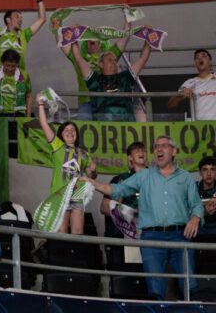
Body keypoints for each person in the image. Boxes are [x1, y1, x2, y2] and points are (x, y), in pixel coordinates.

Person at [81, 135, 203, 300]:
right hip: (151, 237)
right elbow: (118, 190)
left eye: (164, 146)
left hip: (180, 236)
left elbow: (196, 205)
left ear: (174, 151)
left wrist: (195, 218)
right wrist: (93, 183)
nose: (158, 149)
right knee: (155, 290)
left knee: (190, 286)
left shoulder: (185, 177)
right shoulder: (144, 175)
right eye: (156, 147)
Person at [53, 8, 132, 120]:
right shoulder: (79, 58)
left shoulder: (109, 55)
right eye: (88, 41)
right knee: (85, 129)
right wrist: (56, 19)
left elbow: (125, 36)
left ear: (101, 43)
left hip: (106, 101)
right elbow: (60, 41)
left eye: (94, 41)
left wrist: (127, 15)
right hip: (86, 103)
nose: (91, 43)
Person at [36, 94, 97, 234]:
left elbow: (91, 176)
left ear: (77, 134)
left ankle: (75, 249)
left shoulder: (84, 153)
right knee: (61, 230)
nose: (70, 132)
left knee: (78, 232)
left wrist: (93, 171)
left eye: (73, 130)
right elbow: (44, 124)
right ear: (61, 135)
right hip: (60, 192)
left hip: (78, 191)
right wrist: (40, 105)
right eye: (66, 130)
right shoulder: (58, 146)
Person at [71, 39, 151, 121]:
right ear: (101, 64)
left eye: (115, 60)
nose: (114, 62)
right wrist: (73, 40)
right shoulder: (95, 80)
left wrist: (148, 41)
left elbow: (143, 58)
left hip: (126, 126)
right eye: (110, 60)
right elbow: (79, 59)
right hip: (102, 127)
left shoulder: (126, 78)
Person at [100, 142, 148, 238]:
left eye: (143, 151)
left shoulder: (155, 177)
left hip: (148, 229)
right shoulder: (120, 179)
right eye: (137, 151)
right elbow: (104, 207)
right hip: (125, 231)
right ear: (130, 158)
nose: (141, 152)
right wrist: (128, 214)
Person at [0, 45, 32, 116]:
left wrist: (28, 117)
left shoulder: (24, 75)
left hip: (18, 114)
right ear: (2, 63)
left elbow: (28, 96)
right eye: (7, 65)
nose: (10, 69)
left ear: (17, 64)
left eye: (13, 66)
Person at [168, 49, 216, 120]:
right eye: (197, 57)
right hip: (200, 125)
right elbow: (170, 104)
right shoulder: (190, 82)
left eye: (203, 56)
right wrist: (181, 94)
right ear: (195, 64)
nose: (200, 59)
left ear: (210, 62)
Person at [196, 156, 216, 236]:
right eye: (205, 169)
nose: (209, 174)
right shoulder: (193, 188)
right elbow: (184, 213)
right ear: (200, 172)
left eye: (212, 169)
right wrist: (204, 212)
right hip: (198, 229)